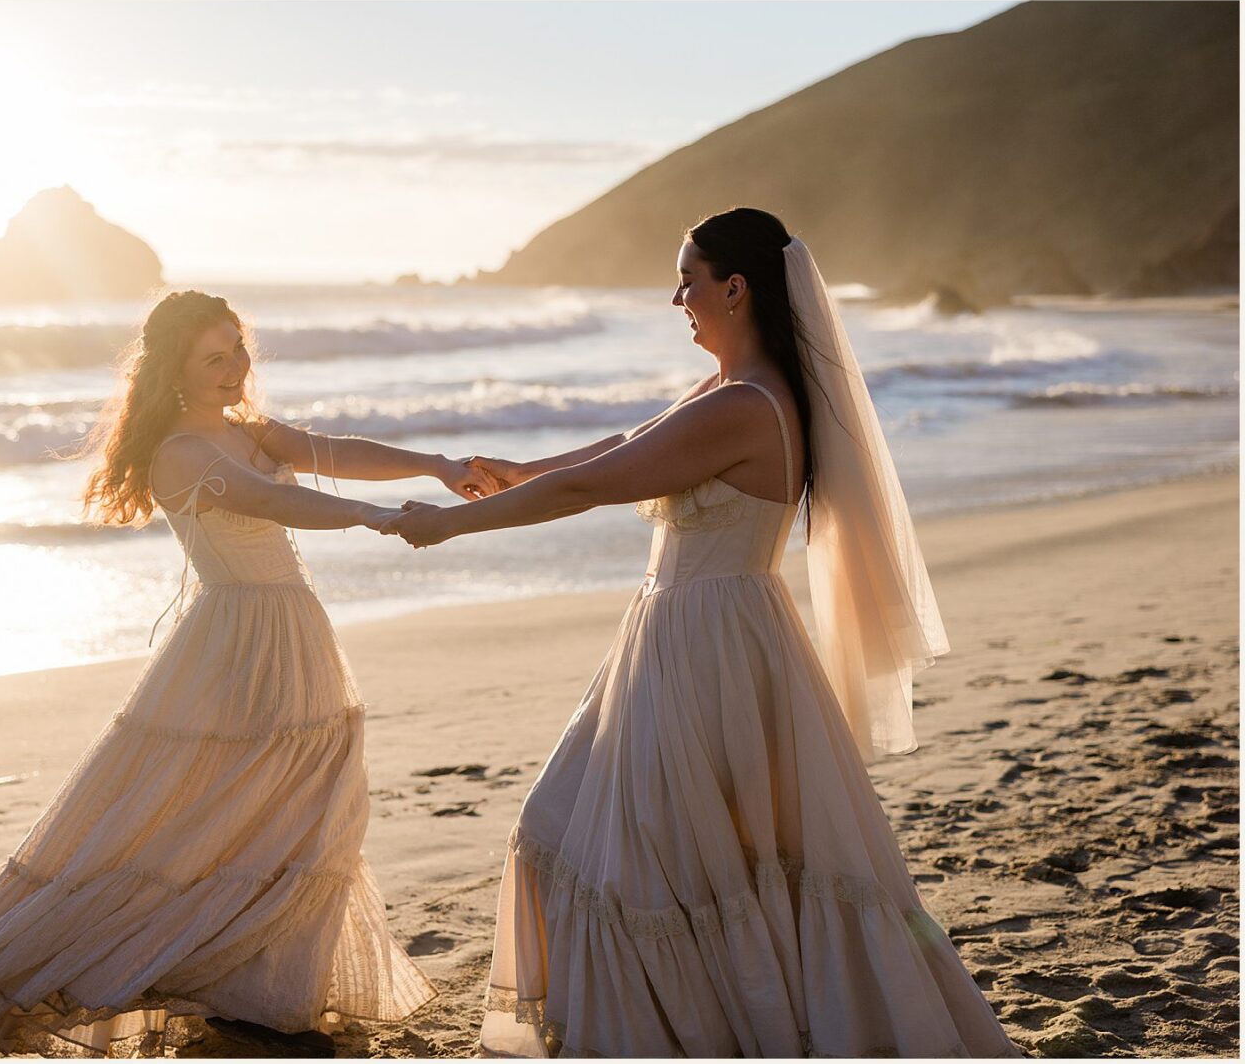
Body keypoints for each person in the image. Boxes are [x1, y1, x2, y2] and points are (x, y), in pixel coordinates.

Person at [381, 208, 1022, 1057]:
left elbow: (596, 488)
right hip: (695, 635)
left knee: (643, 860)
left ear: (736, 286)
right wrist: (518, 468)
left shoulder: (747, 406)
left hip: (704, 649)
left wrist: (454, 527)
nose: (676, 295)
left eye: (688, 277)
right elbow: (625, 445)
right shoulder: (728, 391)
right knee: (628, 846)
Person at [0, 290, 497, 1056]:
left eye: (238, 347)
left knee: (305, 802)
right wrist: (375, 517)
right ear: (175, 370)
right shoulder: (180, 451)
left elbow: (333, 450)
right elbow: (271, 497)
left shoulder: (247, 429)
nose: (235, 366)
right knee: (241, 805)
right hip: (241, 639)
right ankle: (207, 970)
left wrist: (438, 465)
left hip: (291, 626)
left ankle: (263, 981)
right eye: (215, 357)